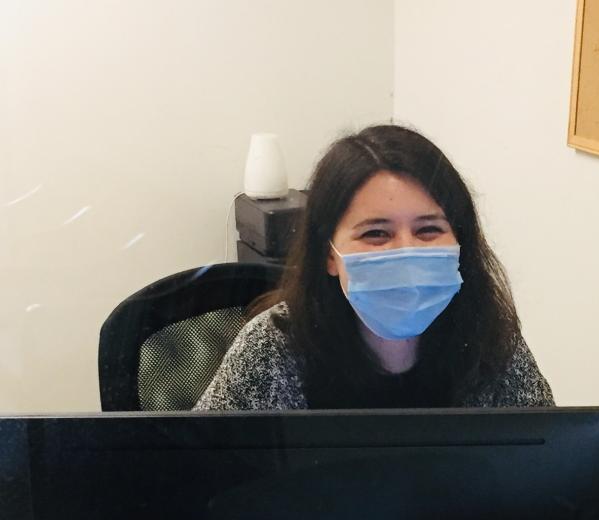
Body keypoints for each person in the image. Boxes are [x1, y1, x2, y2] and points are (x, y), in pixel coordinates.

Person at [195, 124, 553, 410]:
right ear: (329, 255)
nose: (406, 252)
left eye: (428, 230)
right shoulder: (269, 352)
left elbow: (548, 468)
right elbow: (196, 474)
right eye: (376, 233)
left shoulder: (490, 339)